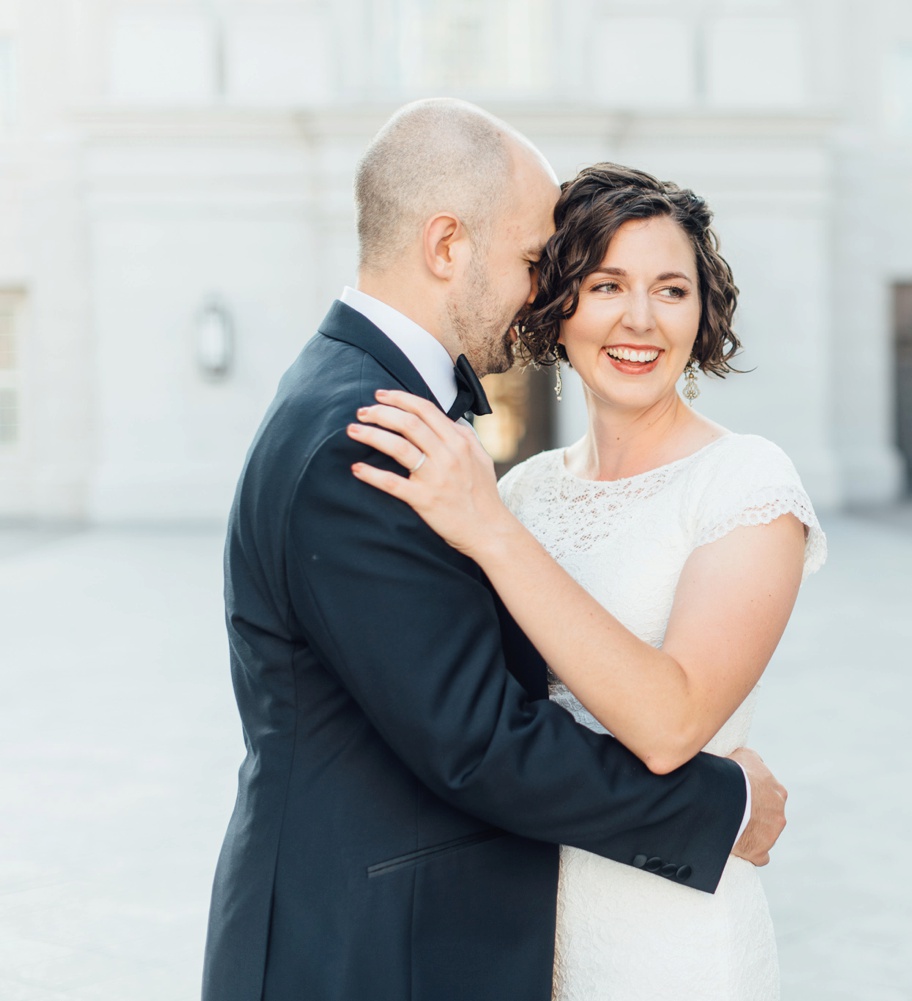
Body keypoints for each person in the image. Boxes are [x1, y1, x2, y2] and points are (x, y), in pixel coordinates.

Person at [203, 100, 788, 1001]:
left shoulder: (411, 431)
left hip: (610, 935)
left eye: (671, 288)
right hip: (364, 947)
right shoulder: (377, 434)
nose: (535, 293)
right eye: (539, 265)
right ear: (447, 247)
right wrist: (722, 807)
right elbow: (474, 739)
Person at [347, 162, 825, 999]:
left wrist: (491, 532)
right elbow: (476, 718)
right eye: (606, 284)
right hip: (525, 927)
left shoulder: (747, 482)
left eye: (672, 290)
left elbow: (673, 721)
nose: (640, 319)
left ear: (702, 311)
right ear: (558, 302)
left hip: (673, 935)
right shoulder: (522, 492)